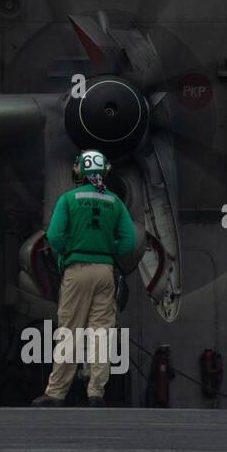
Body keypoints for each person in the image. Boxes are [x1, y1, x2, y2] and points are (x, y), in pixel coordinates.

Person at [33, 149, 136, 407]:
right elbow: (129, 241)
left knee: (70, 331)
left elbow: (54, 237)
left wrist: (68, 251)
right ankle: (96, 393)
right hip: (105, 272)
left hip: (76, 270)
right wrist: (108, 250)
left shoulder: (68, 199)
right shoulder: (115, 202)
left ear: (80, 170)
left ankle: (56, 393)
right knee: (101, 332)